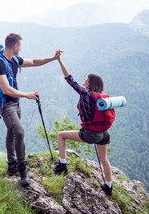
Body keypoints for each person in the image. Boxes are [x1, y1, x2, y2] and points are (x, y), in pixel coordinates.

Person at [0, 33, 60, 187]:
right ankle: (22, 168)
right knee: (19, 132)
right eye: (20, 45)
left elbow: (34, 61)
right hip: (6, 104)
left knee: (12, 131)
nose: (21, 48)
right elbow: (6, 90)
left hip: (16, 103)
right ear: (15, 46)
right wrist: (27, 95)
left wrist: (52, 58)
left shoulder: (14, 60)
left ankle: (11, 164)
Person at [54, 50, 113, 195]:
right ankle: (109, 186)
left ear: (90, 83)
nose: (84, 80)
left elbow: (69, 79)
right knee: (104, 159)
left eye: (86, 79)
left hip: (91, 134)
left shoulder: (86, 94)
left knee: (61, 135)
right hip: (103, 133)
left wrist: (59, 60)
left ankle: (62, 164)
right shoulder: (101, 97)